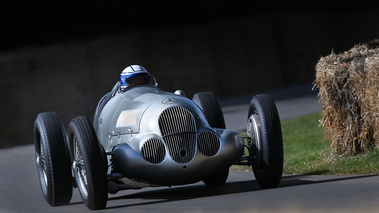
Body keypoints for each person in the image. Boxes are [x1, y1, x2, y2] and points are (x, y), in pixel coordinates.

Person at [94, 65, 156, 131]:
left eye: (142, 82)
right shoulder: (109, 100)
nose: (139, 84)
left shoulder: (154, 96)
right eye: (134, 82)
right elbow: (99, 128)